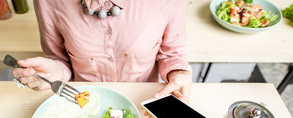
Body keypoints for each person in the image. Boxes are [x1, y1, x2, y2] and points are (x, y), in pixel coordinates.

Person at [13, 0, 192, 103]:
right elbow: (60, 60)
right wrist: (53, 72)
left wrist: (179, 73)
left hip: (144, 104)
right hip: (83, 103)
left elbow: (172, 53)